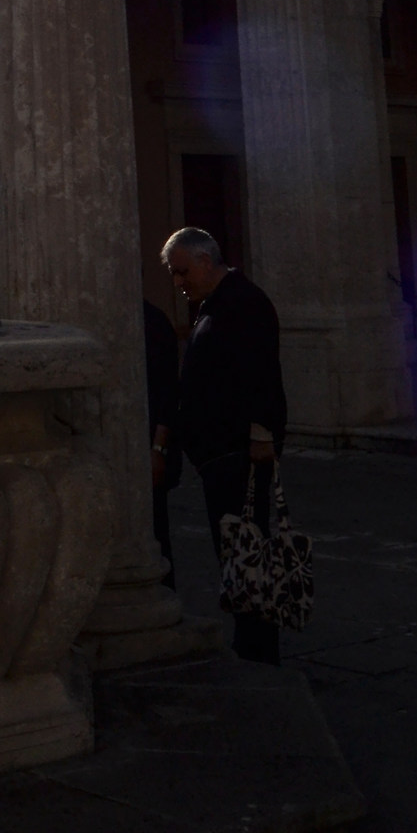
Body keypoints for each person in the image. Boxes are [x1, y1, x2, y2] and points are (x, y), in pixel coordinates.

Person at [162, 225, 288, 666]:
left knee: (246, 546)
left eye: (181, 272)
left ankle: (258, 645)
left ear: (204, 260)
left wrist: (260, 435)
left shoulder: (243, 303)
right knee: (234, 547)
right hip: (220, 452)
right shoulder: (215, 305)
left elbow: (261, 377)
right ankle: (250, 638)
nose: (178, 283)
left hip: (239, 452)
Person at [144, 296, 183, 582]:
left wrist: (158, 448)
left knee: (155, 531)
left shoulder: (153, 323)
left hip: (149, 448)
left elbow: (168, 394)